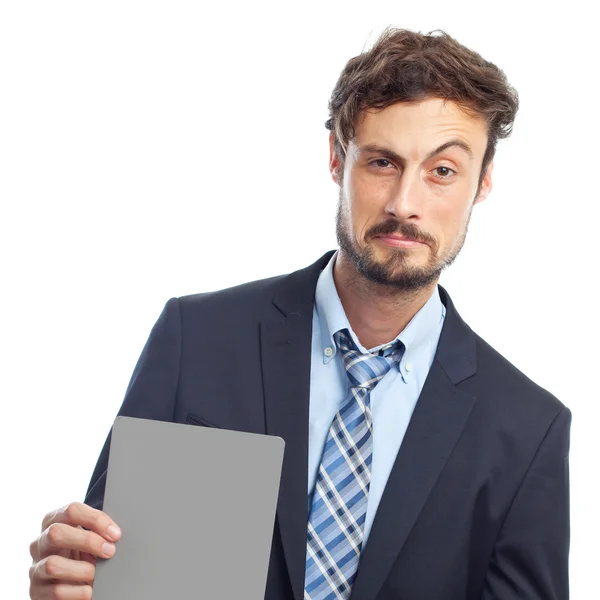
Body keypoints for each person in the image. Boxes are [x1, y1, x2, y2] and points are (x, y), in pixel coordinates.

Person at [28, 28, 571, 600]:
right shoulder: (198, 342)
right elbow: (111, 578)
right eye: (382, 162)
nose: (404, 203)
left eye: (442, 171)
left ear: (482, 183)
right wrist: (67, 584)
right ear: (338, 159)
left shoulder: (527, 431)